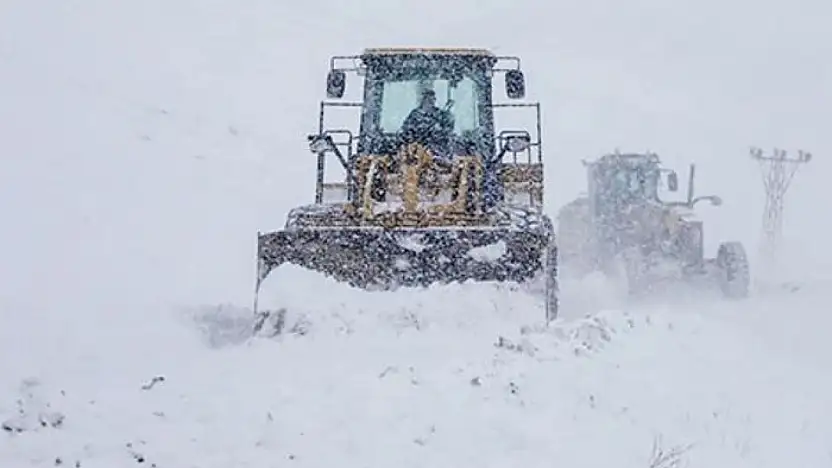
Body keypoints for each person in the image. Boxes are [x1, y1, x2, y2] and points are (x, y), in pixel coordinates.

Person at [399, 88, 454, 160]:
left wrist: (441, 128)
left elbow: (448, 130)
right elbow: (406, 132)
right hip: (418, 154)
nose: (431, 102)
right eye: (428, 100)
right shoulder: (415, 115)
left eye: (433, 99)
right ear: (423, 100)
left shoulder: (441, 114)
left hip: (438, 154)